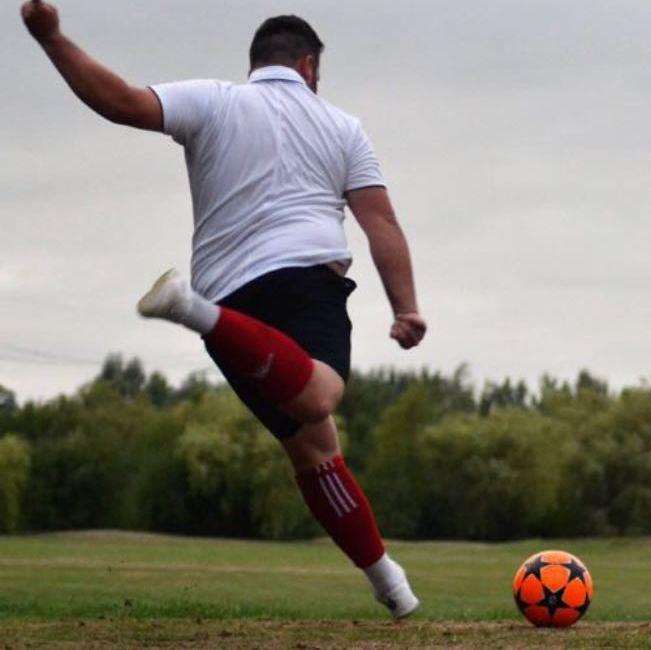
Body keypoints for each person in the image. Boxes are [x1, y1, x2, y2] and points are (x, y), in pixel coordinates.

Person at [22, 1, 427, 618]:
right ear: (310, 66)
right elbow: (381, 221)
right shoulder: (341, 125)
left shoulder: (213, 99)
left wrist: (52, 39)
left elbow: (123, 102)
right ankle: (187, 308)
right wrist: (407, 308)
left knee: (314, 448)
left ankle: (391, 590)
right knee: (319, 398)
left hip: (232, 303)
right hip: (303, 284)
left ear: (255, 63)